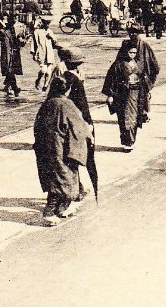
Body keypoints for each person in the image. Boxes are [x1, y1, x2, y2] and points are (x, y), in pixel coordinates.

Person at [33, 76, 92, 226]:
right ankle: (49, 211)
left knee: (55, 177)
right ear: (67, 89)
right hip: (62, 147)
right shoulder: (67, 104)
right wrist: (88, 133)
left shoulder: (47, 103)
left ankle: (61, 207)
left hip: (46, 147)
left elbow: (37, 126)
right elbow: (79, 127)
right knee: (63, 178)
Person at [102, 42, 151, 152]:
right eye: (130, 52)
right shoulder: (118, 64)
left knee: (135, 117)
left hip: (137, 93)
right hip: (123, 95)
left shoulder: (138, 63)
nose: (132, 55)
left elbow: (144, 77)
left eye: (134, 52)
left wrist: (146, 90)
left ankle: (132, 140)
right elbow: (111, 80)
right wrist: (110, 95)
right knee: (125, 118)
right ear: (125, 52)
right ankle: (126, 142)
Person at [0, 15, 24, 97]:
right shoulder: (2, 32)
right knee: (10, 71)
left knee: (10, 71)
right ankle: (15, 88)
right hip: (6, 55)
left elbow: (18, 43)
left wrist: (21, 40)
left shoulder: (13, 32)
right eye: (12, 23)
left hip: (13, 55)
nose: (13, 25)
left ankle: (7, 86)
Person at [30, 16, 58, 91]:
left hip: (49, 54)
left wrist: (52, 37)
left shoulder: (50, 32)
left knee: (48, 72)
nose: (47, 25)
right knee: (43, 70)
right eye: (46, 23)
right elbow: (34, 43)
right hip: (41, 53)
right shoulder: (37, 32)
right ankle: (38, 80)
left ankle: (45, 86)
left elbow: (55, 43)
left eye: (49, 24)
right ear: (43, 23)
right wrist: (33, 54)